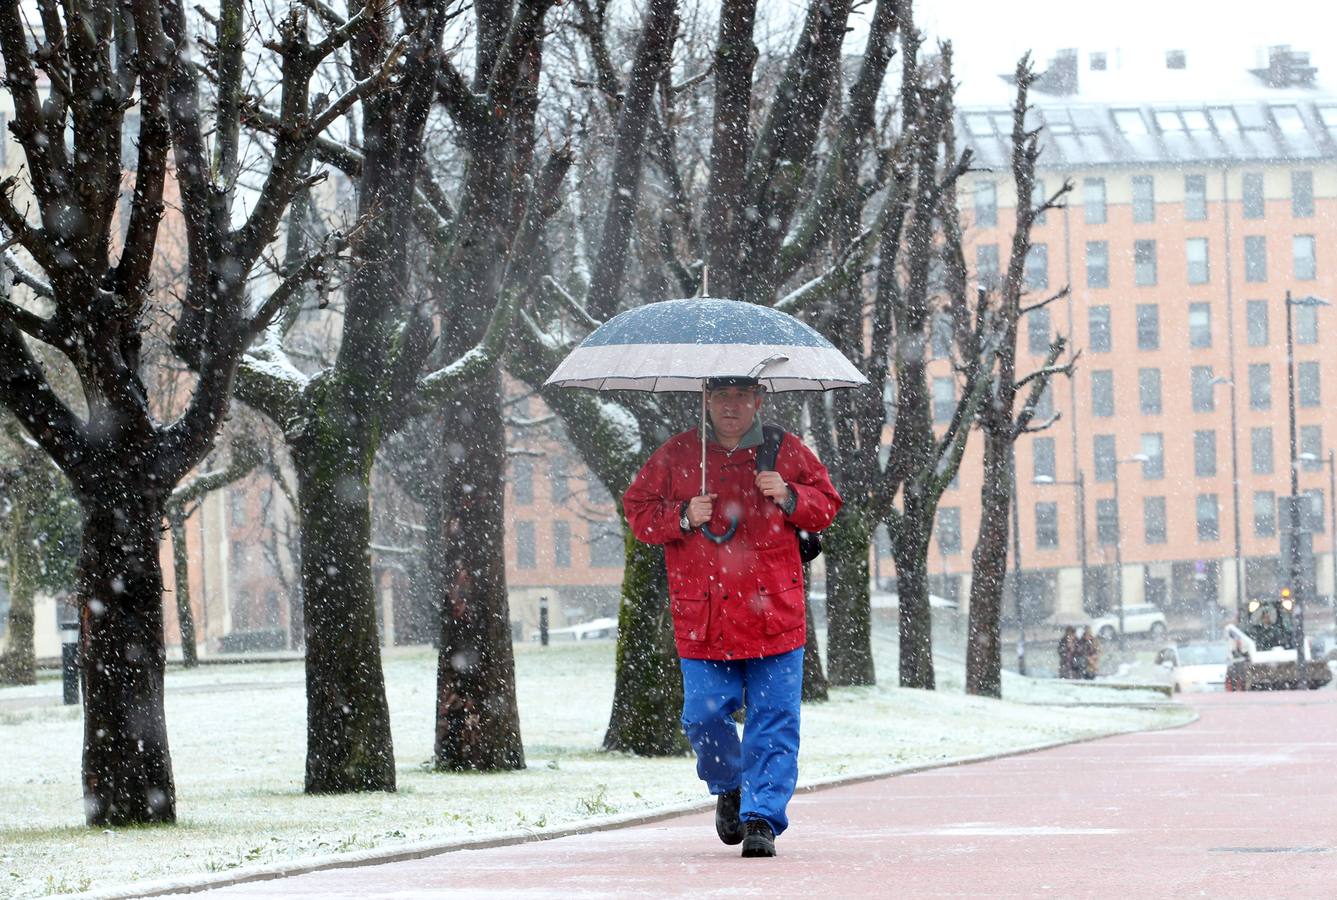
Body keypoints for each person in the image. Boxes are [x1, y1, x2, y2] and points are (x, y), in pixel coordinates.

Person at [623, 376, 841, 858]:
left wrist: (788, 495)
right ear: (706, 400)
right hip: (705, 617)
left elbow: (826, 505)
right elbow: (637, 511)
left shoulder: (787, 451)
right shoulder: (679, 455)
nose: (731, 406)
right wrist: (681, 515)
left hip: (775, 616)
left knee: (775, 721)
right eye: (721, 396)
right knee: (702, 715)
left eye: (741, 396)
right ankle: (729, 784)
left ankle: (763, 818)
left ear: (757, 401)